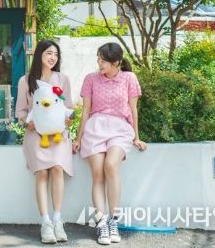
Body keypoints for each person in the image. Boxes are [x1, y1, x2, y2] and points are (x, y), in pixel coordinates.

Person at [72, 42, 147, 245]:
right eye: (98, 58)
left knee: (111, 165)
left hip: (120, 129)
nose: (99, 63)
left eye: (103, 60)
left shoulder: (129, 78)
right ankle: (102, 223)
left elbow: (133, 110)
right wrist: (78, 138)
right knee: (97, 174)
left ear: (116, 62)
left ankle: (114, 220)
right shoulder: (90, 79)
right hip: (95, 128)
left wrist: (136, 137)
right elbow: (85, 111)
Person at [15, 40, 74, 244]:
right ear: (39, 54)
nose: (52, 57)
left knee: (57, 168)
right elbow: (20, 110)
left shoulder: (63, 79)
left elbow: (69, 107)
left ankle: (58, 220)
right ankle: (45, 222)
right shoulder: (25, 80)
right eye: (49, 53)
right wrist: (27, 122)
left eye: (56, 54)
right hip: (36, 135)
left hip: (58, 135)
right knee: (42, 172)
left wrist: (68, 119)